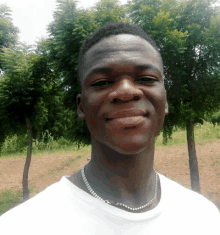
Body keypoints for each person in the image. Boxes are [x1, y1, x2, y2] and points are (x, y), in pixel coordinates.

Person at [1, 22, 219, 234]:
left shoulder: (203, 217)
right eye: (102, 82)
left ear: (166, 101)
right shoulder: (22, 226)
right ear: (81, 106)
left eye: (146, 78)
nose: (125, 91)